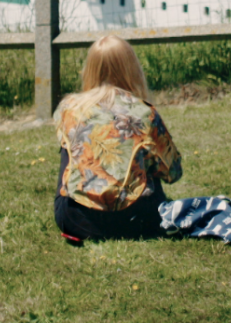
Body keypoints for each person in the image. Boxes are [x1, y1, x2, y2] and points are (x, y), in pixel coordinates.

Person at [54, 35, 182, 241]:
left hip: (75, 218)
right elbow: (173, 172)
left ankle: (81, 197)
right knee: (147, 152)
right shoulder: (144, 112)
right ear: (132, 68)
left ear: (90, 68)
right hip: (136, 220)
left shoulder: (69, 108)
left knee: (70, 146)